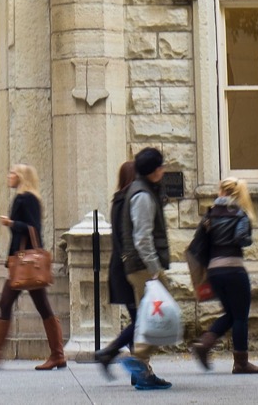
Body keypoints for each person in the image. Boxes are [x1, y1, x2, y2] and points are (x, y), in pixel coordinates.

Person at [0, 164, 65, 370]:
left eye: (12, 173)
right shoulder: (28, 197)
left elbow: (33, 229)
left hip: (26, 263)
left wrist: (11, 223)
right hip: (24, 263)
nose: (9, 176)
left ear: (21, 177)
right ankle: (57, 355)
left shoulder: (26, 198)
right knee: (39, 306)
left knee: (7, 303)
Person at [116, 148, 174, 391]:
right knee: (158, 316)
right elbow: (142, 238)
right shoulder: (142, 195)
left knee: (149, 317)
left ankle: (143, 369)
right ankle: (137, 360)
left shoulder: (145, 190)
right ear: (153, 170)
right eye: (160, 166)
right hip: (143, 267)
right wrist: (154, 270)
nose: (163, 170)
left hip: (141, 265)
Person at [188, 177, 258, 374]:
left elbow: (199, 242)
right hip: (234, 269)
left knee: (231, 314)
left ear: (221, 192)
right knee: (240, 317)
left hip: (214, 271)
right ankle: (241, 363)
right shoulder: (240, 214)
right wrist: (248, 236)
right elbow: (241, 239)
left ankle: (205, 343)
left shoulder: (209, 215)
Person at [94, 160, 140, 382]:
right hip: (128, 269)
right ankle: (109, 353)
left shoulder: (118, 200)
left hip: (120, 267)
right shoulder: (129, 202)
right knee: (141, 320)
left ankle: (136, 371)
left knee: (139, 319)